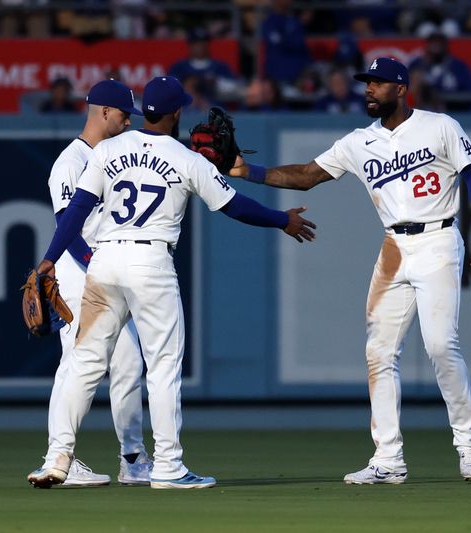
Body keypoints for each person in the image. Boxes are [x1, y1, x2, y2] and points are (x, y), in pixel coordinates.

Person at [27, 76, 317, 489]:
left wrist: (48, 259)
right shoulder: (185, 158)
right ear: (177, 112)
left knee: (85, 363)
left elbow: (77, 210)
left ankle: (58, 457)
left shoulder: (108, 150)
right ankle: (168, 466)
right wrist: (281, 220)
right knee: (162, 366)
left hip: (105, 261)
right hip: (149, 261)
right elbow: (235, 206)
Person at [229, 57, 471, 484]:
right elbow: (305, 176)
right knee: (378, 352)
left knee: (441, 346)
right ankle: (388, 459)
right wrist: (247, 171)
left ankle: (468, 445)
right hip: (394, 246)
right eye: (367, 83)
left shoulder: (440, 125)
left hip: (439, 239)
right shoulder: (359, 141)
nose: (369, 89)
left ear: (401, 89)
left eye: (378, 83)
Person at [28, 79, 151, 488]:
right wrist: (99, 268)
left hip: (106, 272)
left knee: (128, 361)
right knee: (76, 365)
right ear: (102, 112)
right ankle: (58, 458)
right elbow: (70, 227)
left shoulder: (113, 156)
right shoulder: (71, 161)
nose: (128, 119)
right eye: (123, 113)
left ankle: (131, 459)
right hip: (80, 274)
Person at [407, 32, 471, 111]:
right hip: (421, 108)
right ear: (427, 45)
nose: (436, 46)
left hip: (453, 109)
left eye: (439, 43)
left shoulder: (458, 66)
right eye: (433, 43)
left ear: (445, 45)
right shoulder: (417, 64)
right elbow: (406, 90)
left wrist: (443, 96)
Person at [167, 27, 238, 102]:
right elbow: (168, 89)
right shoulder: (179, 67)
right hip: (187, 110)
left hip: (214, 108)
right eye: (196, 43)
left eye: (203, 43)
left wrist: (215, 83)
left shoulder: (220, 66)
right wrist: (187, 85)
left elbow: (234, 88)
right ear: (190, 45)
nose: (201, 46)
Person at [261, 0, 311, 86]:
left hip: (300, 76)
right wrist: (290, 39)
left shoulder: (295, 22)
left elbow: (299, 45)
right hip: (277, 77)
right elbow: (279, 42)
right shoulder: (268, 23)